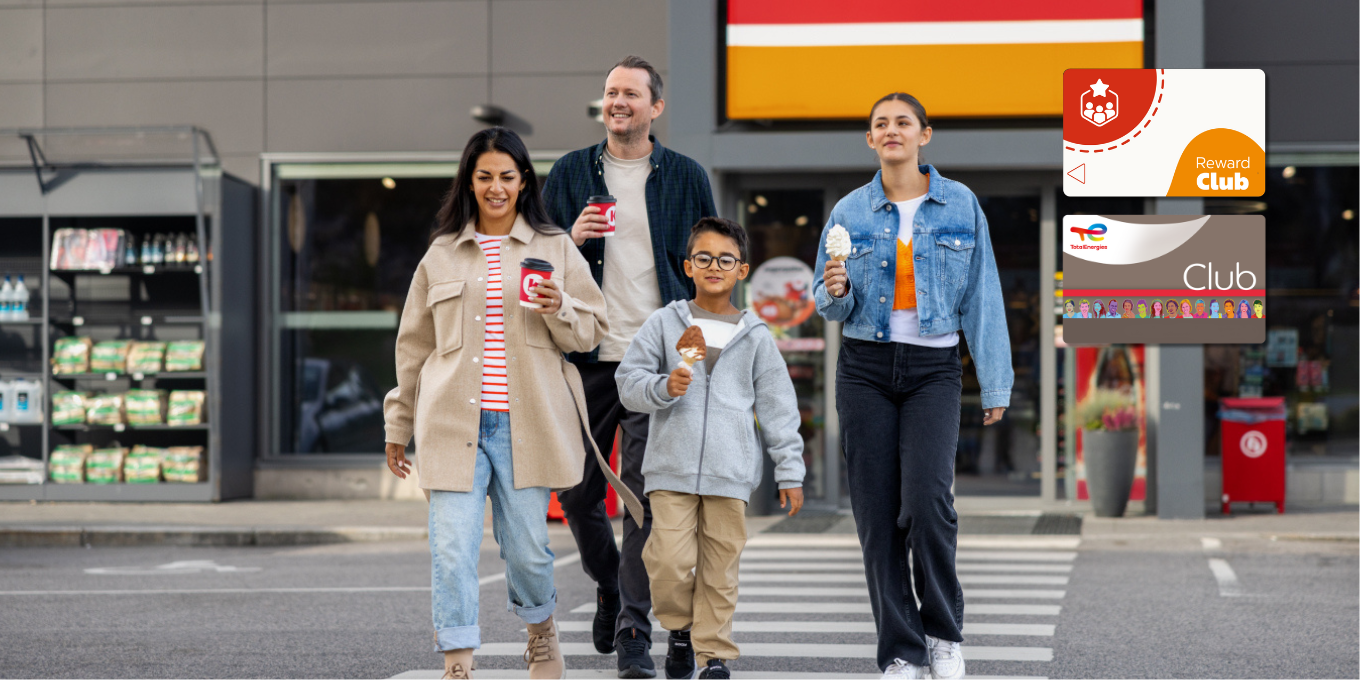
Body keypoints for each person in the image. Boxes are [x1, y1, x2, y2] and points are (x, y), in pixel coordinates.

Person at [383, 127, 623, 680]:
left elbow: (591, 333)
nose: (496, 188)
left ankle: (540, 629)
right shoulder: (440, 256)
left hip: (527, 424)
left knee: (528, 552)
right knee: (451, 550)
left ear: (523, 182)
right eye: (485, 176)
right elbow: (413, 348)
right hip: (449, 422)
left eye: (507, 177)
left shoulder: (556, 246)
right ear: (470, 181)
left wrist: (559, 304)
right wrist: (399, 426)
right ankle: (459, 661)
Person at [814, 92, 1013, 680]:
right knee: (877, 517)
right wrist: (835, 288)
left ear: (925, 134)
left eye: (903, 122)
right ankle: (900, 651)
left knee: (927, 504)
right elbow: (827, 305)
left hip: (933, 370)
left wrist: (995, 382)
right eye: (881, 124)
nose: (892, 131)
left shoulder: (959, 204)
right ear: (869, 140)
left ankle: (943, 634)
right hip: (864, 370)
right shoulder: (849, 211)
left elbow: (983, 295)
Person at [541, 54, 717, 679]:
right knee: (578, 493)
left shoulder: (687, 177)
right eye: (611, 92)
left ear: (655, 107)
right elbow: (531, 265)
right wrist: (571, 239)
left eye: (632, 94)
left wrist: (696, 362)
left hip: (652, 363)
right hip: (584, 357)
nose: (619, 102)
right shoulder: (567, 174)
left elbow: (710, 272)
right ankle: (610, 586)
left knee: (641, 502)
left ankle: (634, 631)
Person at [617, 217, 807, 680]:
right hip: (669, 468)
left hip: (731, 471)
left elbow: (779, 407)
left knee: (720, 570)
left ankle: (713, 654)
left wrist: (790, 471)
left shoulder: (757, 335)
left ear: (742, 270)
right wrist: (664, 386)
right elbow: (627, 383)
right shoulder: (664, 323)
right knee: (667, 563)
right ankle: (679, 630)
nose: (714, 266)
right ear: (688, 266)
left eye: (726, 259)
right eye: (704, 258)